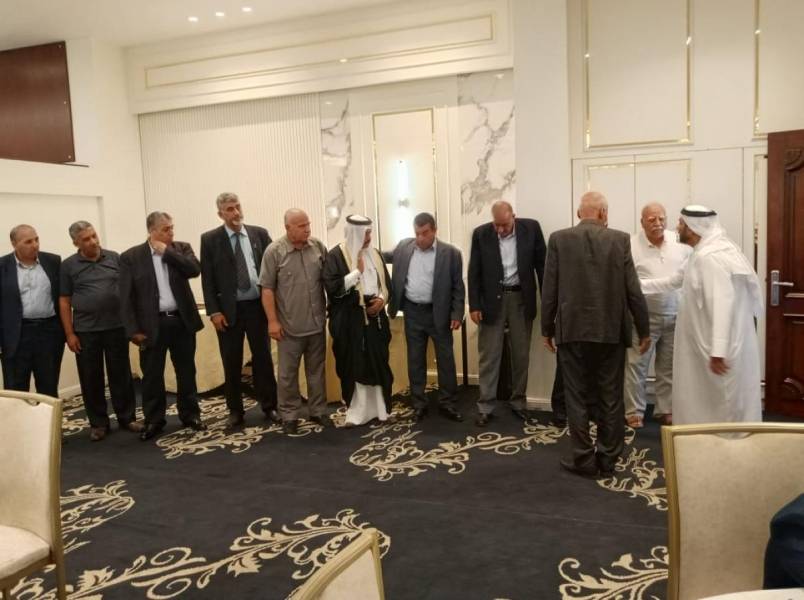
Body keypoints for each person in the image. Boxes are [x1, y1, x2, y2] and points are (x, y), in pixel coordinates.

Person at [541, 191, 650, 478]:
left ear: (580, 214)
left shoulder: (558, 239)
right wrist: (644, 328)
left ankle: (583, 459)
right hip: (610, 331)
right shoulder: (620, 239)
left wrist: (546, 329)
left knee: (575, 395)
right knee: (610, 395)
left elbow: (549, 288)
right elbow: (633, 289)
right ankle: (608, 458)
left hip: (572, 330)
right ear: (603, 213)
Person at [640, 205, 763, 425]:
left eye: (681, 223)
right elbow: (673, 282)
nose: (676, 228)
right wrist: (633, 285)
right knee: (705, 397)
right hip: (706, 342)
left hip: (716, 346)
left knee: (720, 400)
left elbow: (722, 304)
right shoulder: (700, 253)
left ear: (693, 228)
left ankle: (721, 441)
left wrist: (718, 350)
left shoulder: (710, 258)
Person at [119, 212, 208, 441]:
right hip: (150, 325)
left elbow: (194, 270)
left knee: (186, 372)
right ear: (152, 231)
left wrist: (168, 253)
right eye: (166, 229)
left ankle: (190, 415)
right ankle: (154, 420)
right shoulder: (131, 257)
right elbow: (126, 297)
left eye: (172, 228)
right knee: (152, 376)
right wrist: (132, 330)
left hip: (181, 321)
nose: (171, 233)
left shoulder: (181, 248)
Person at [200, 192, 279, 427]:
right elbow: (208, 280)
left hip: (257, 307)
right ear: (220, 214)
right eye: (230, 209)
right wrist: (214, 312)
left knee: (263, 358)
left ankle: (270, 406)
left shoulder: (259, 234)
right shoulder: (210, 239)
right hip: (228, 311)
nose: (236, 212)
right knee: (231, 361)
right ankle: (235, 410)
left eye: (237, 207)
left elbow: (273, 269)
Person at [59, 221, 142, 441]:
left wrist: (132, 323)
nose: (93, 242)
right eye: (86, 239)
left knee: (121, 375)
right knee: (91, 378)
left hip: (116, 327)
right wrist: (69, 334)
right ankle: (98, 423)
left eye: (94, 236)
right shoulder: (68, 266)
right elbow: (64, 301)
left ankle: (127, 417)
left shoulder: (114, 258)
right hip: (86, 331)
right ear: (76, 243)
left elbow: (128, 291)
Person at [467, 200, 546, 426]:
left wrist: (549, 301)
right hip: (491, 301)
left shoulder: (531, 229)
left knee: (521, 354)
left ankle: (518, 402)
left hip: (521, 298)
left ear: (514, 216)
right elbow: (474, 271)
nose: (500, 230)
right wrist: (474, 305)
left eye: (504, 224)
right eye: (497, 225)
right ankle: (485, 405)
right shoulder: (481, 234)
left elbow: (542, 266)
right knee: (489, 354)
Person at [385, 212, 465, 422]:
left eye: (425, 233)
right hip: (413, 312)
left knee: (445, 360)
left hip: (439, 313)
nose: (420, 238)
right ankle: (419, 404)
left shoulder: (451, 254)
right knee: (415, 360)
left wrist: (457, 313)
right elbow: (383, 257)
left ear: (434, 230)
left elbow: (458, 287)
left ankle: (447, 403)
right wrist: (363, 248)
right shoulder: (404, 247)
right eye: (417, 233)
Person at [260, 208, 329, 435]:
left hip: (317, 324)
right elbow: (267, 289)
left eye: (308, 224)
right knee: (287, 375)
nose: (307, 229)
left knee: (316, 371)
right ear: (288, 228)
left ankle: (318, 410)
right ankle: (289, 415)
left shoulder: (317, 247)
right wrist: (272, 321)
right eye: (301, 226)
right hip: (289, 327)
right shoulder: (274, 252)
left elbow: (328, 280)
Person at [624, 203, 691, 429]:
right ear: (642, 222)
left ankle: (666, 409)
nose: (658, 224)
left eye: (662, 218)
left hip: (676, 315)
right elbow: (628, 283)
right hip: (643, 319)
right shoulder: (631, 245)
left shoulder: (680, 242)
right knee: (636, 366)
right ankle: (634, 412)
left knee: (668, 366)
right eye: (652, 219)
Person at [323, 215, 394, 426]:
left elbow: (386, 285)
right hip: (350, 323)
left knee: (378, 364)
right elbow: (332, 288)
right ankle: (356, 414)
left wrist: (381, 300)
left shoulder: (375, 254)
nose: (369, 238)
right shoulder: (336, 256)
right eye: (365, 234)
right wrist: (356, 272)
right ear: (354, 234)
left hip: (375, 319)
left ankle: (381, 411)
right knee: (354, 366)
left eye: (370, 233)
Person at [0, 224, 64, 397]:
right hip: (16, 337)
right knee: (16, 390)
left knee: (48, 387)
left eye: (36, 239)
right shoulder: (2, 266)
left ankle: (47, 416)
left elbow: (62, 298)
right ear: (14, 244)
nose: (35, 245)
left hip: (48, 333)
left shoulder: (53, 261)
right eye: (28, 242)